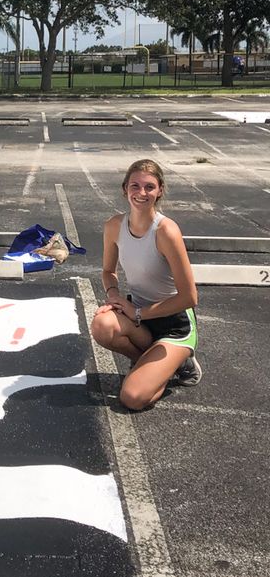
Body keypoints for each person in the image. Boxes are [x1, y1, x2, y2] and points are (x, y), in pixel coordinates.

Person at [91, 158, 201, 411]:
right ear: (125, 189)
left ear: (160, 190)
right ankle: (146, 363)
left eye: (149, 187)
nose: (142, 193)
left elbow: (189, 297)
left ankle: (181, 362)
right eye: (135, 186)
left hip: (175, 325)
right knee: (102, 325)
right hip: (140, 319)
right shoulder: (114, 226)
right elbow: (108, 271)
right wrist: (113, 296)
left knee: (132, 398)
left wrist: (138, 312)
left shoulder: (166, 231)